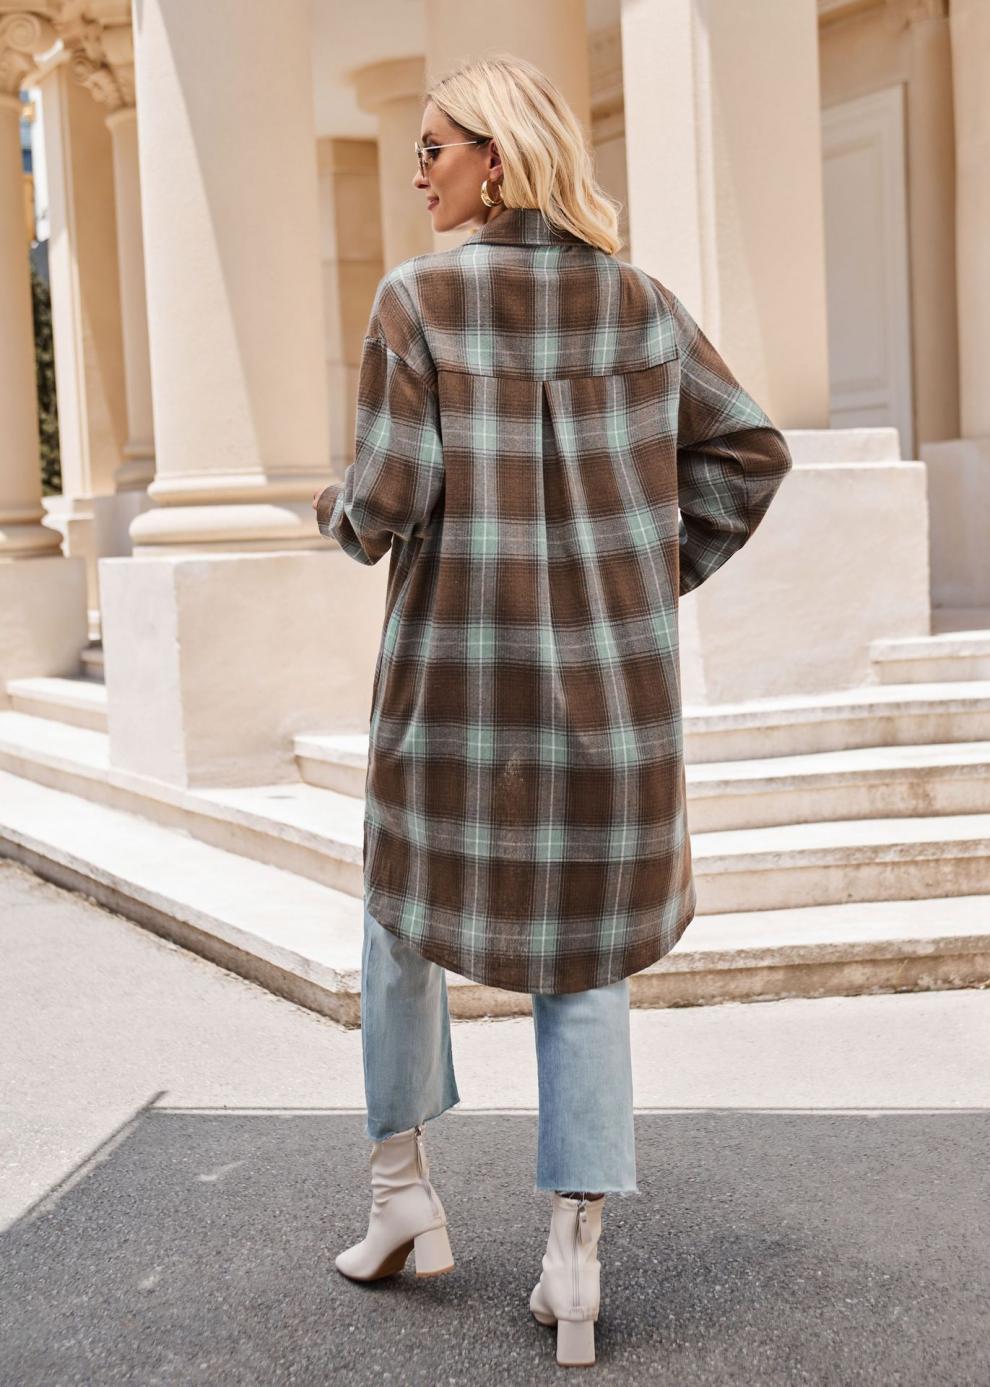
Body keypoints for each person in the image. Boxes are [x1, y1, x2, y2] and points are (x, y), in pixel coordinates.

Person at [311, 52, 792, 1368]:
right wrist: (645, 571)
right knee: (585, 965)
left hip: (453, 693)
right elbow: (751, 452)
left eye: (434, 148)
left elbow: (381, 506)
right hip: (607, 704)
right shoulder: (642, 306)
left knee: (397, 916)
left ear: (497, 157)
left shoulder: (418, 301)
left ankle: (400, 1196)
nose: (416, 170)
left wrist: (331, 505)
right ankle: (573, 1258)